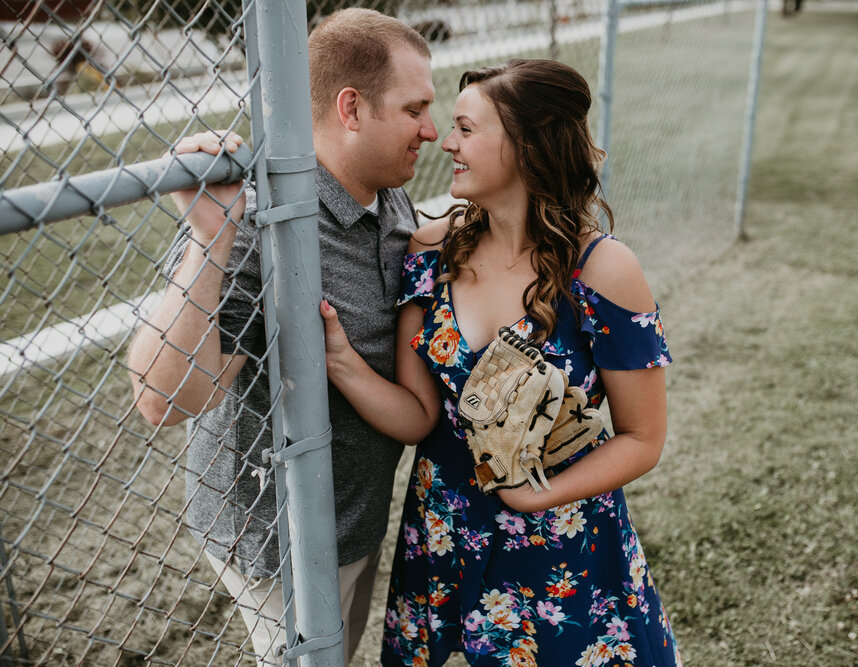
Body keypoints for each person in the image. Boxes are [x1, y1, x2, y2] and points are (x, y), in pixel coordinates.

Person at [320, 58, 681, 666]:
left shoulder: (602, 272)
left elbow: (644, 439)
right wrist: (343, 363)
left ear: (528, 146)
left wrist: (538, 497)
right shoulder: (431, 250)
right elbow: (417, 417)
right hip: (442, 532)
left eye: (466, 128)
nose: (446, 142)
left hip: (561, 544)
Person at [126, 8, 438, 665]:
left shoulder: (385, 195)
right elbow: (166, 399)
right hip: (279, 537)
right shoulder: (258, 224)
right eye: (415, 110)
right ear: (351, 109)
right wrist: (211, 238)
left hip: (349, 516)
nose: (431, 130)